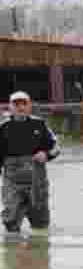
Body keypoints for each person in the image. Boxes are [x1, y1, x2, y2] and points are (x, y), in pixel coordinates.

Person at [0, 91, 60, 235]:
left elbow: (56, 147)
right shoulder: (3, 128)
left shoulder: (40, 124)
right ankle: (13, 252)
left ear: (29, 106)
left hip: (36, 180)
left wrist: (46, 154)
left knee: (40, 223)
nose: (20, 107)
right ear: (10, 107)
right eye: (16, 104)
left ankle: (39, 253)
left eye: (24, 103)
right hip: (12, 180)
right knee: (10, 218)